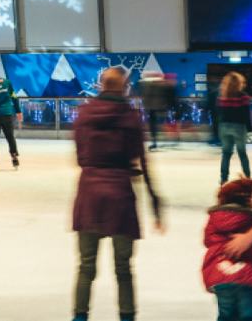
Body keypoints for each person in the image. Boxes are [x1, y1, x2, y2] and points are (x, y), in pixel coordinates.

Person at [72, 67, 162, 321]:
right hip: (120, 196)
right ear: (125, 87)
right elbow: (142, 161)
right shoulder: (131, 116)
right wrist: (156, 204)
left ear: (101, 85)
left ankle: (79, 317)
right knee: (123, 269)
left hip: (89, 194)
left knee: (86, 266)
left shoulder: (85, 113)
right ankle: (126, 317)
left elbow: (81, 155)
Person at [203, 178, 252, 321]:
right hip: (249, 277)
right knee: (248, 315)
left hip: (220, 277)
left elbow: (207, 241)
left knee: (226, 314)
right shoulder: (251, 221)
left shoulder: (214, 221)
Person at [219, 72, 252, 185]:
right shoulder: (243, 96)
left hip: (224, 127)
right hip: (239, 127)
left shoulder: (222, 96)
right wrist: (250, 130)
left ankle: (224, 179)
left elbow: (218, 114)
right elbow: (246, 115)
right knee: (242, 153)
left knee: (226, 153)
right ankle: (247, 178)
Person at [137, 71, 167, 150]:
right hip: (156, 107)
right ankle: (154, 141)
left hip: (151, 107)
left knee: (152, 124)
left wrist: (145, 104)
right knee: (154, 124)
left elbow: (146, 96)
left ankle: (154, 141)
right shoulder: (157, 85)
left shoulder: (148, 85)